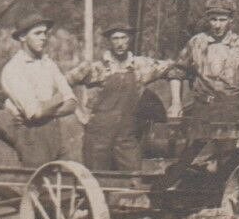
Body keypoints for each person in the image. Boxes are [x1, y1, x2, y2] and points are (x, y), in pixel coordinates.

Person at [67, 24, 173, 171]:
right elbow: (64, 83)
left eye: (123, 37)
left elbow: (172, 67)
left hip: (127, 137)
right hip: (98, 138)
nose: (119, 43)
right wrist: (79, 113)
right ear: (109, 41)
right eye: (115, 38)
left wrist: (176, 100)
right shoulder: (96, 67)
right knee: (98, 181)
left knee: (133, 180)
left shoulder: (140, 65)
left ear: (129, 39)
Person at [0, 13, 77, 167]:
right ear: (22, 37)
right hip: (32, 136)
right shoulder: (14, 69)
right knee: (40, 186)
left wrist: (47, 108)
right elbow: (35, 112)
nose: (44, 37)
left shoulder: (48, 63)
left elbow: (73, 103)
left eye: (45, 33)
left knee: (66, 184)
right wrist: (60, 97)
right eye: (37, 33)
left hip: (55, 133)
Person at [167, 0, 239, 122]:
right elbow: (176, 72)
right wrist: (176, 103)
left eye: (222, 20)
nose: (217, 25)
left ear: (231, 20)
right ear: (207, 19)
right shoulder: (197, 42)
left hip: (232, 110)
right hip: (202, 108)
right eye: (213, 20)